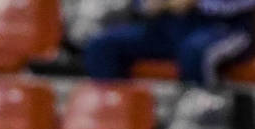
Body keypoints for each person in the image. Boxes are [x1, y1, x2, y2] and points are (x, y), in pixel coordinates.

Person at [82, 0, 254, 88]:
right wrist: (148, 4)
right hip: (166, 25)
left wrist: (199, 2)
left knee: (195, 52)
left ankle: (200, 125)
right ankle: (113, 123)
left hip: (223, 26)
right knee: (102, 46)